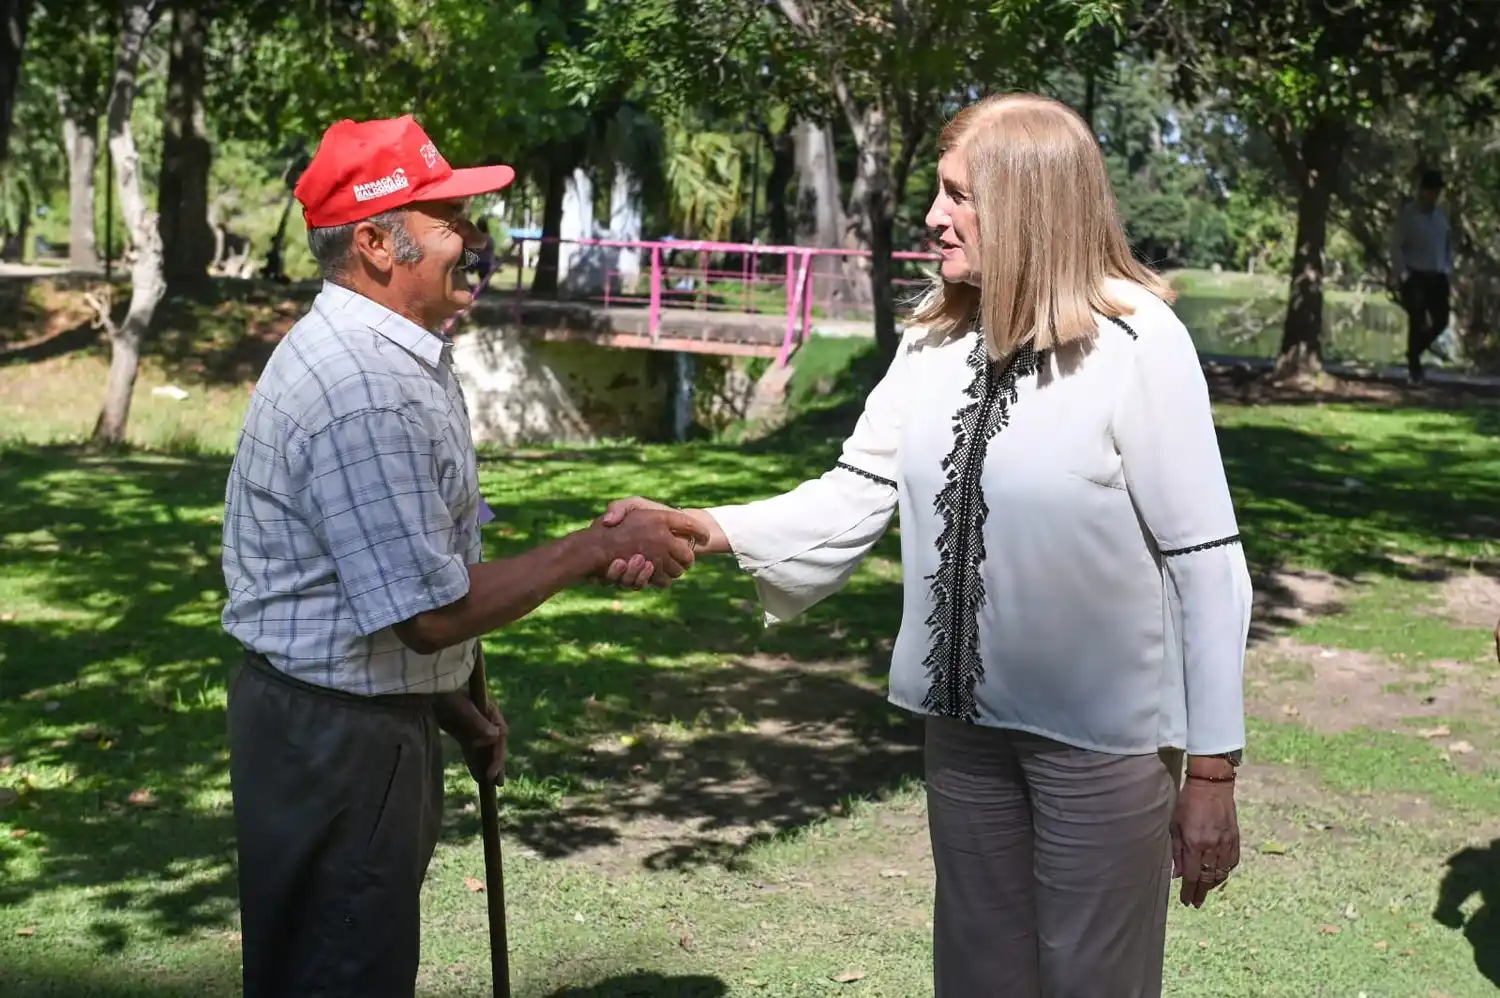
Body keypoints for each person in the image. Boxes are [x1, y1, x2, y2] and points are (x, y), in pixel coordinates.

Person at [600, 93, 1251, 998]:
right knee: (978, 978)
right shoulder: (937, 335)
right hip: (964, 734)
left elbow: (1206, 560)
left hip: (1100, 747)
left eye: (960, 196)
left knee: (1093, 982)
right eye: (939, 192)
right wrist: (706, 529)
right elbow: (856, 491)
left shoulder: (1140, 341)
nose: (934, 217)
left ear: (1031, 204)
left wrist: (1212, 771)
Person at [219, 115, 704, 998]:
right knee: (339, 973)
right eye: (448, 217)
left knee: (334, 962)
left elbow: (390, 571)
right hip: (336, 740)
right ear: (374, 243)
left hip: (350, 721)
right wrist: (598, 546)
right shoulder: (364, 388)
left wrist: (458, 705)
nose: (474, 235)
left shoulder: (397, 355)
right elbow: (426, 611)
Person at [1390, 168, 1454, 385]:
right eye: (1432, 192)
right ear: (1422, 191)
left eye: (1438, 192)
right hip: (1415, 274)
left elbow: (1447, 244)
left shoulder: (1440, 216)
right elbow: (1396, 246)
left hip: (1437, 275)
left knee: (1441, 320)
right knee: (1417, 319)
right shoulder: (1408, 215)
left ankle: (1414, 351)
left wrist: (1447, 267)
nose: (1435, 196)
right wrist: (1403, 274)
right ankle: (1414, 370)